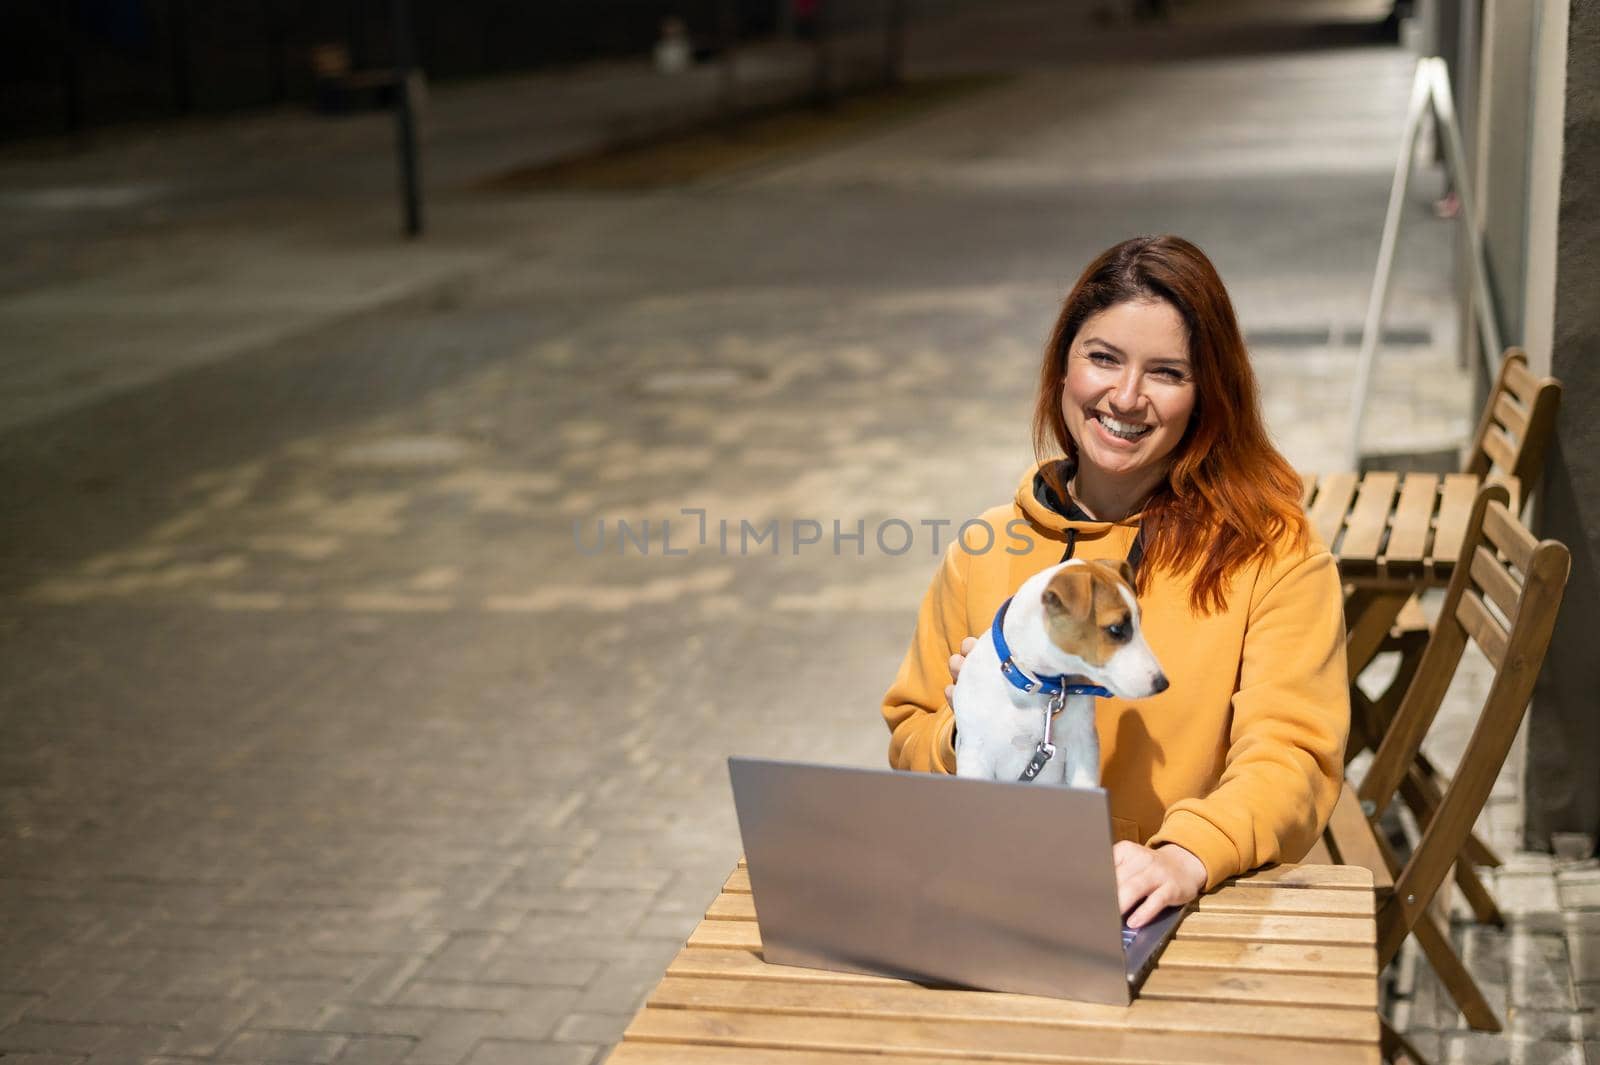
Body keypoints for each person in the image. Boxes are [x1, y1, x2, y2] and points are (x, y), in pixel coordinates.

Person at [881, 235, 1349, 928]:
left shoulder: (1274, 555)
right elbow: (910, 731)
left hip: (1178, 909)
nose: (1126, 397)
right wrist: (972, 728)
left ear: (1207, 394)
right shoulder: (984, 548)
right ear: (1062, 367)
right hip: (999, 897)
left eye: (1166, 372)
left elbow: (1293, 755)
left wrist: (1188, 854)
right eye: (1103, 358)